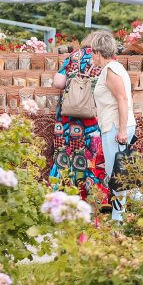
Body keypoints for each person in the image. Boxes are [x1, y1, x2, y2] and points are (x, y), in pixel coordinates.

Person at [48, 33, 105, 195]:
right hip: (91, 117)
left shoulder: (74, 55)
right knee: (89, 155)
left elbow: (58, 83)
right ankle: (89, 195)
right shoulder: (104, 58)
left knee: (65, 152)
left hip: (67, 116)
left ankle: (61, 193)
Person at [89, 31, 136, 221]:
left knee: (116, 174)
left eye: (92, 52)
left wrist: (123, 130)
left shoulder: (111, 70)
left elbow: (122, 99)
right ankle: (123, 215)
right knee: (119, 173)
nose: (91, 56)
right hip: (115, 125)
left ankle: (120, 218)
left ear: (99, 52)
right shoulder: (113, 68)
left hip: (117, 126)